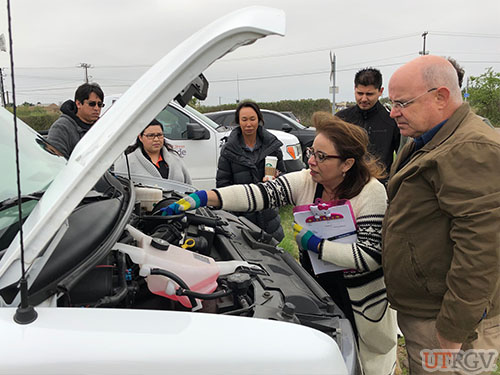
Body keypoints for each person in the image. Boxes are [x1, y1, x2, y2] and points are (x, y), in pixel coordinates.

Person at [164, 112, 398, 375]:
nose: (311, 161)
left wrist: (317, 245)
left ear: (347, 164)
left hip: (358, 297)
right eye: (312, 152)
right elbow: (259, 193)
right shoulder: (306, 181)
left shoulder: (372, 193)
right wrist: (207, 197)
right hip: (318, 287)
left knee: (365, 361)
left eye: (322, 157)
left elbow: (369, 255)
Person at [383, 55, 500, 374]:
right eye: (390, 103)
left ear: (441, 96)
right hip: (428, 313)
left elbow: (480, 252)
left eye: (402, 103)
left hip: (450, 328)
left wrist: (451, 334)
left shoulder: (471, 150)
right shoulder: (427, 138)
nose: (393, 113)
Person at [216, 101, 285, 242]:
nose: (248, 124)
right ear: (238, 122)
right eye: (244, 119)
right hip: (242, 217)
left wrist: (277, 177)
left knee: (274, 257)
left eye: (252, 119)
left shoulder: (272, 146)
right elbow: (223, 186)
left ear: (259, 120)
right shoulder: (229, 150)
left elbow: (284, 179)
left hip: (268, 215)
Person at [336, 68, 400, 176]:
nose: (364, 99)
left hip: (380, 185)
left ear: (380, 91)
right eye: (360, 93)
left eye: (369, 94)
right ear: (354, 89)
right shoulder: (341, 119)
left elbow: (403, 159)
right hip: (346, 185)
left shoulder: (392, 121)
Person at [114, 119, 191, 184]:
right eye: (151, 135)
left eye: (159, 135)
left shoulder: (175, 159)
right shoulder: (127, 163)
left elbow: (189, 186)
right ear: (140, 137)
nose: (156, 139)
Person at [47, 82, 105, 158]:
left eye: (100, 104)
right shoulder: (61, 128)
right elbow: (55, 162)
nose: (97, 108)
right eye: (92, 104)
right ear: (78, 104)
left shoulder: (102, 126)